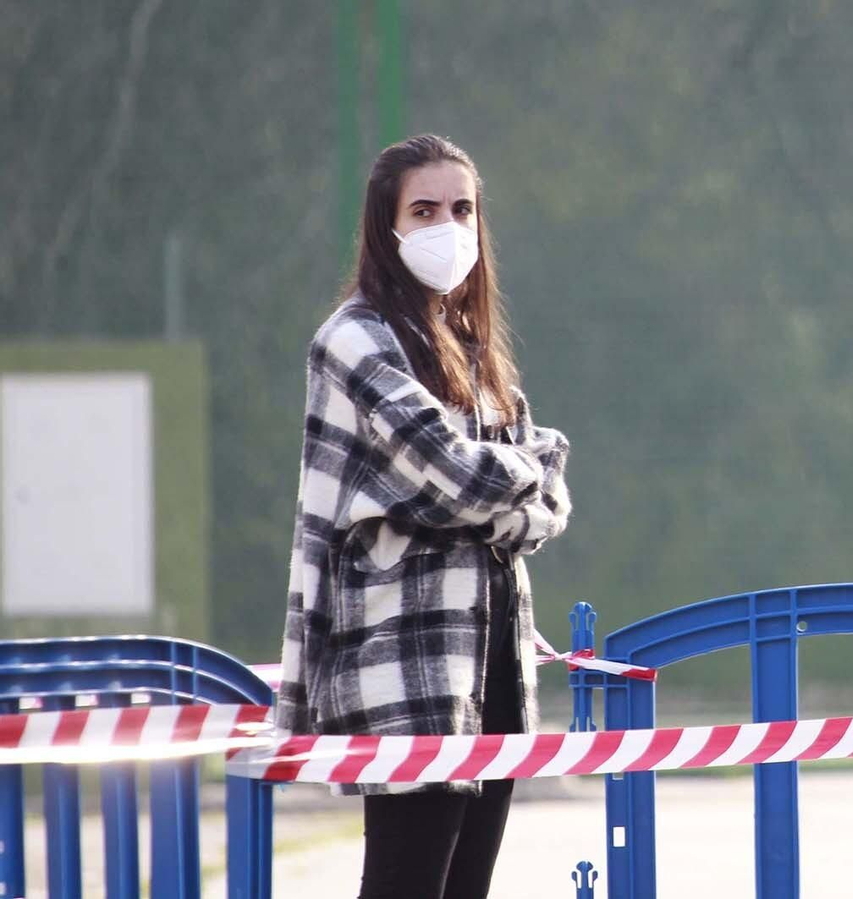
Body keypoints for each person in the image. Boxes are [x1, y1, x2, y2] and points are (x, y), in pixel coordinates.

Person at [274, 134, 572, 899]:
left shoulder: (476, 353)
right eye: (426, 210)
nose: (449, 227)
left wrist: (494, 496)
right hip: (408, 664)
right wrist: (531, 467)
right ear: (388, 224)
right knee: (405, 885)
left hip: (494, 661)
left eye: (463, 209)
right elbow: (459, 472)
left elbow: (545, 509)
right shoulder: (354, 339)